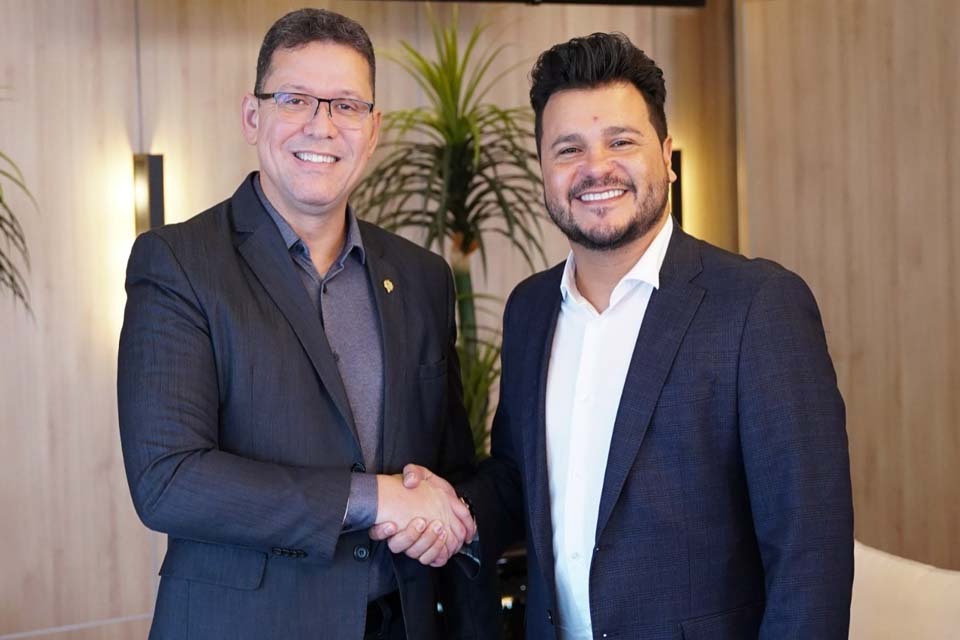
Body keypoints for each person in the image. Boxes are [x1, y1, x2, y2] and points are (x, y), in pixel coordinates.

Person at [374, 32, 854, 640]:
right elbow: (520, 479)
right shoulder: (530, 310)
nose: (596, 167)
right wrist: (450, 510)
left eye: (621, 141)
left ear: (667, 156)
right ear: (544, 171)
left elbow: (810, 555)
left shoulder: (758, 306)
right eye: (568, 148)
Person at [117, 8, 479, 640]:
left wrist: (443, 514)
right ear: (252, 117)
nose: (322, 125)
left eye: (346, 105)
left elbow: (449, 465)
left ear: (373, 130)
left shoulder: (422, 277)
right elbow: (168, 481)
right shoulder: (179, 263)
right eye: (295, 99)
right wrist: (374, 497)